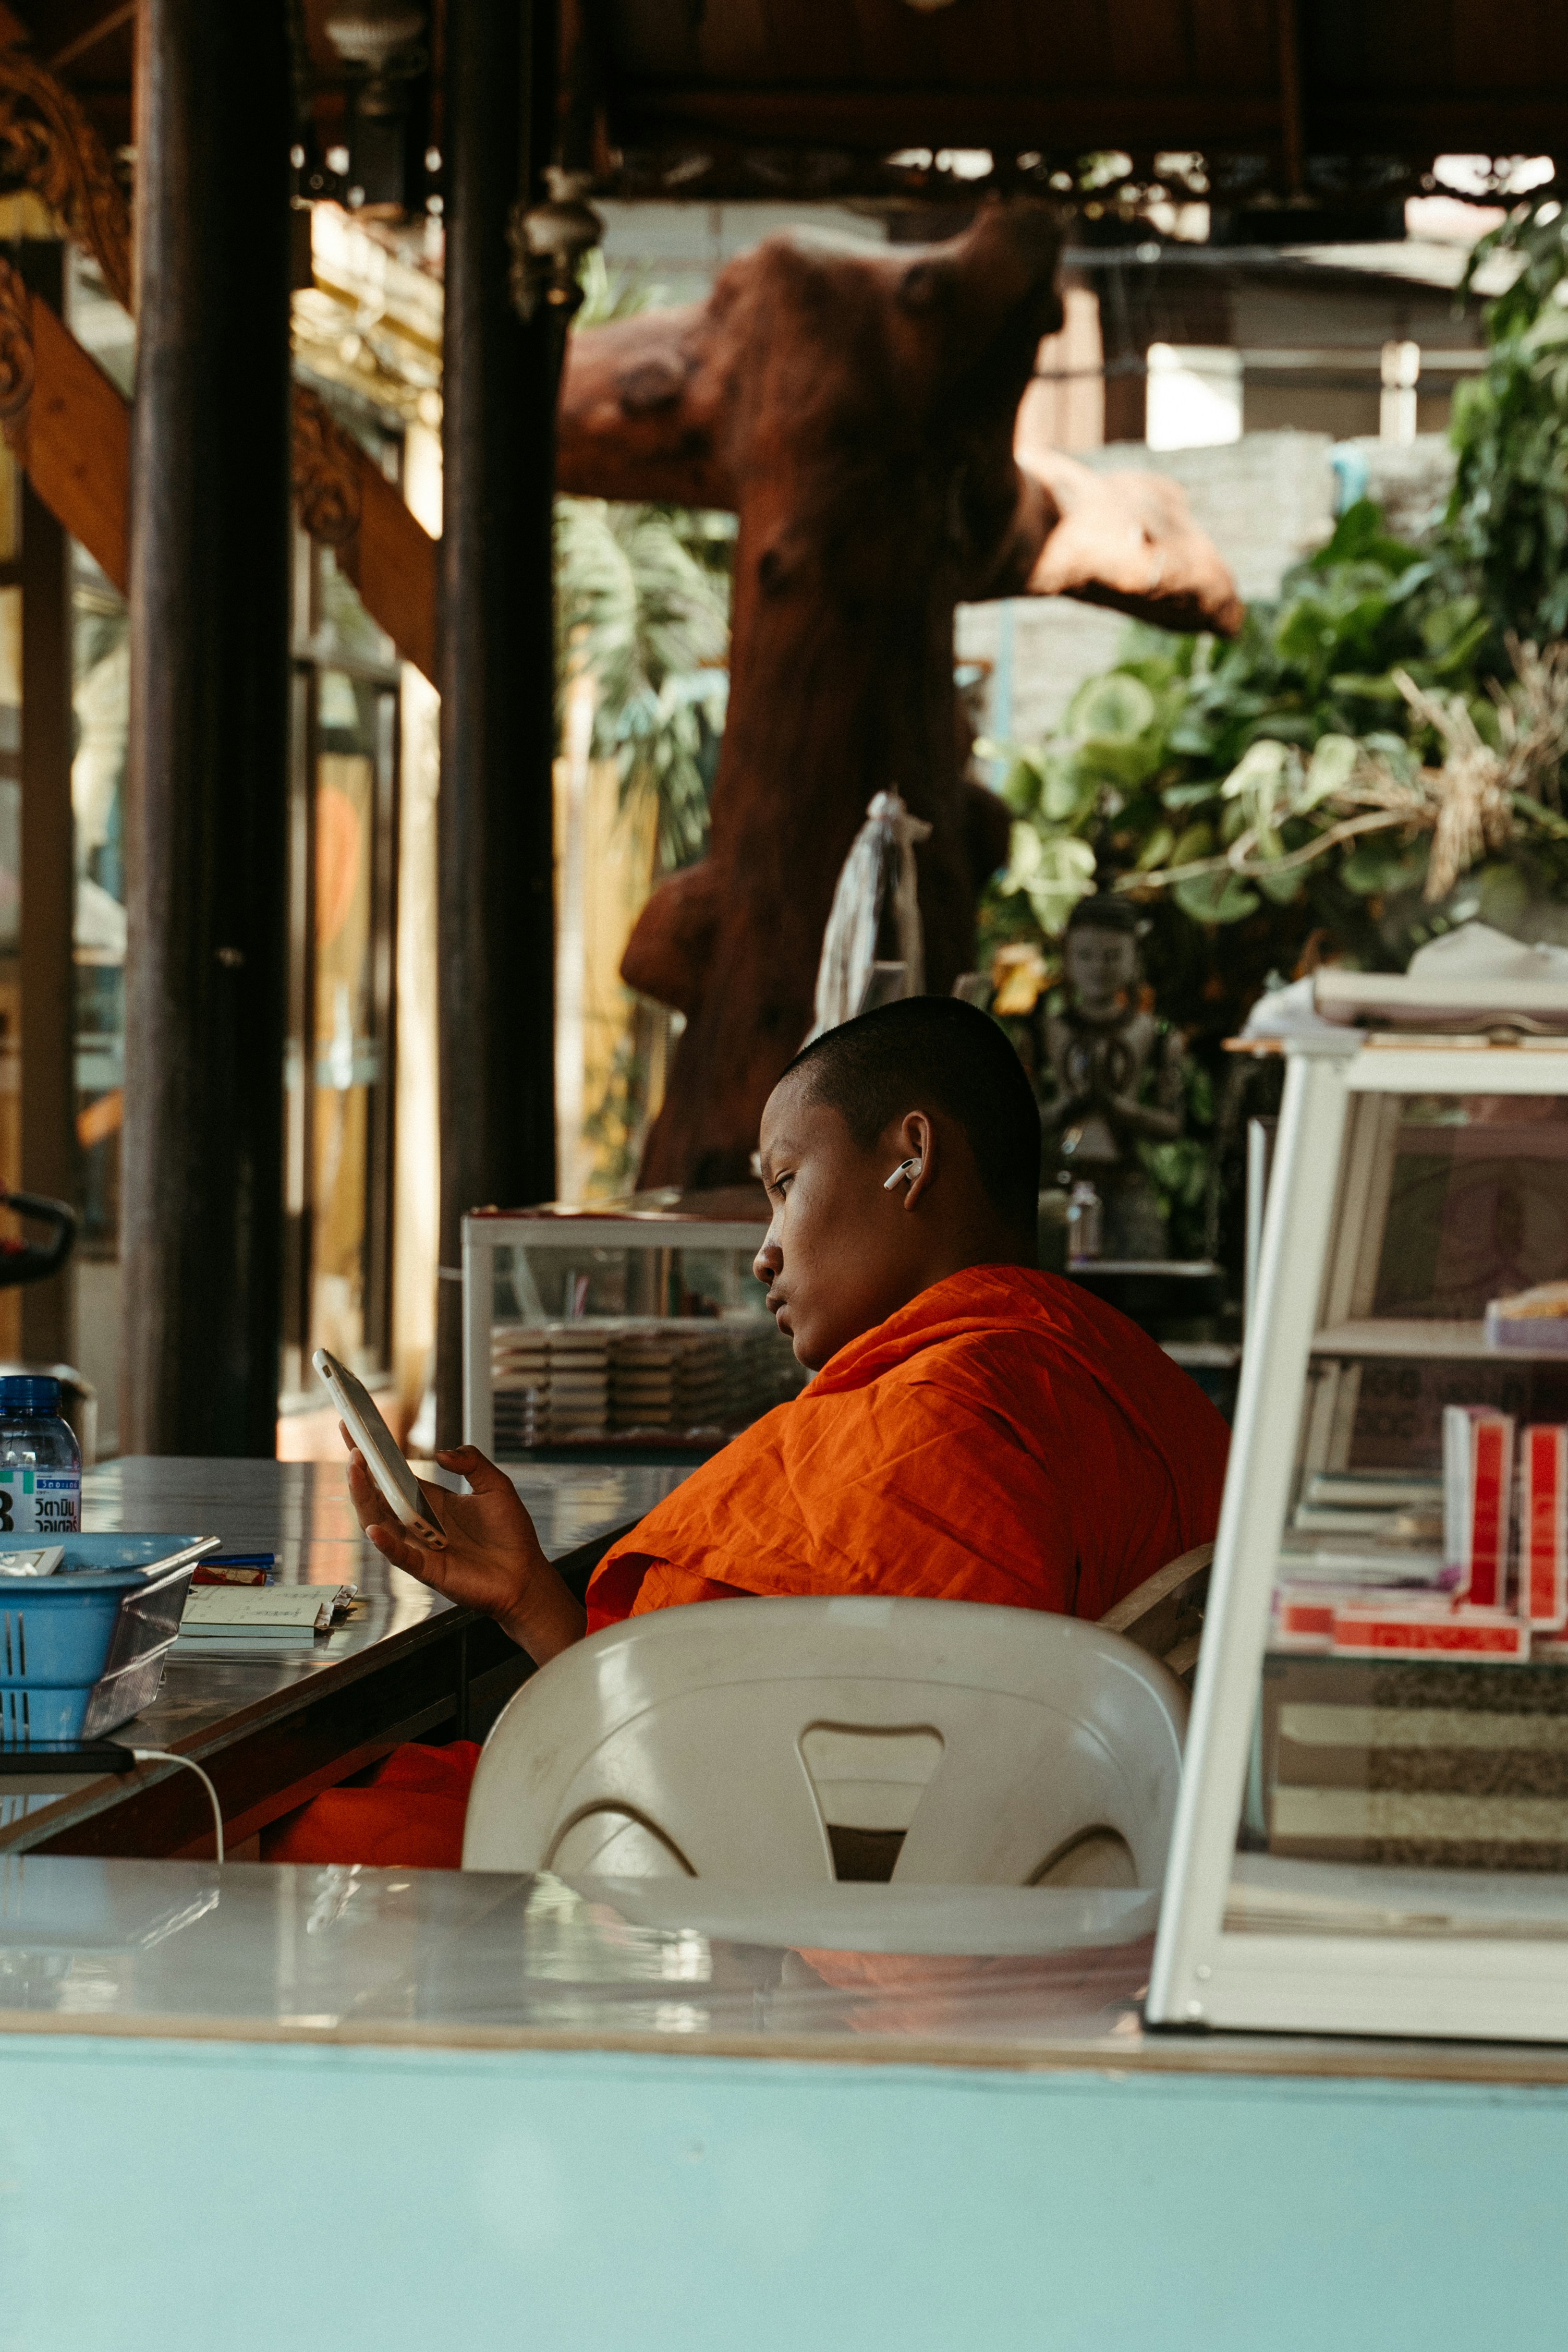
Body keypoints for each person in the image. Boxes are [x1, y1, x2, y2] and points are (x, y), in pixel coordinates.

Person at [263, 996, 1229, 1869]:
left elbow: (718, 1780)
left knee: (304, 1829)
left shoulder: (933, 1423)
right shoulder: (1120, 1373)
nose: (763, 1252)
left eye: (785, 1181)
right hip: (1041, 1887)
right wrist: (527, 1594)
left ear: (913, 1158)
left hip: (830, 1919)